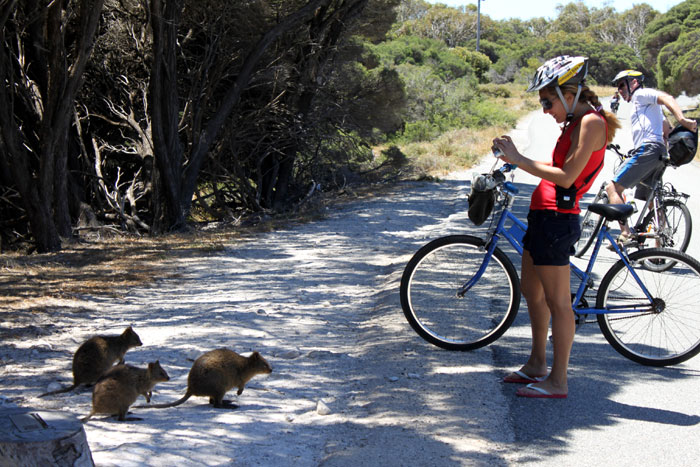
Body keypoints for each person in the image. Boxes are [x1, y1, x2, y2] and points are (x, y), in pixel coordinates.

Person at [491, 56, 621, 398]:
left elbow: (566, 178)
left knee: (559, 302)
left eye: (548, 102)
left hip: (557, 219)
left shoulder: (591, 123)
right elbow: (555, 166)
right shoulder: (575, 123)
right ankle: (537, 364)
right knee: (532, 293)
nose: (546, 110)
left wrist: (520, 159)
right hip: (542, 214)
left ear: (569, 94)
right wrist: (512, 159)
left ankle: (558, 381)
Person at [606, 70, 697, 245]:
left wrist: (683, 120)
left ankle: (625, 234)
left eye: (622, 85)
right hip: (658, 153)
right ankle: (659, 247)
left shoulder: (641, 94)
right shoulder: (649, 108)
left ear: (633, 83)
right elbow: (667, 130)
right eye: (618, 88)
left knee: (613, 188)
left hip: (648, 150)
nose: (620, 90)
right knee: (652, 201)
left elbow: (668, 98)